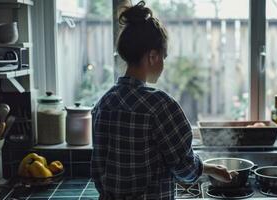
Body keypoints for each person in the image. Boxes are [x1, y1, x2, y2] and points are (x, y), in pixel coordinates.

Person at [91, 1, 234, 199]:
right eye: (163, 57)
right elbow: (184, 169)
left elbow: (97, 171)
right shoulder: (161, 106)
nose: (163, 64)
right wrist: (210, 169)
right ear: (152, 56)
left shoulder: (103, 104)